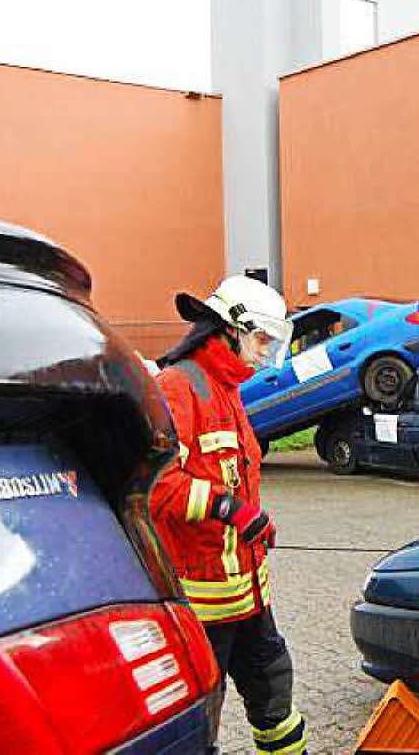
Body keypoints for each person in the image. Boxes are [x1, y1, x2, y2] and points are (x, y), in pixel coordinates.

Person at [149, 276, 307, 755]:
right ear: (229, 329)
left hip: (249, 595)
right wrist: (229, 509)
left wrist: (252, 522)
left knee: (275, 697)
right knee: (197, 722)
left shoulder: (228, 389)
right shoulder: (179, 386)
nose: (264, 355)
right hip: (202, 605)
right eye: (261, 340)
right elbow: (157, 486)